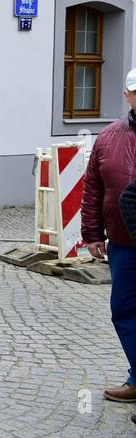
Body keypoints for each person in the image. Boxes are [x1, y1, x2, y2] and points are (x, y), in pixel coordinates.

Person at [82, 69, 136, 406]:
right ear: (128, 95)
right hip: (123, 244)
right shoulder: (109, 138)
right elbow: (93, 188)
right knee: (124, 310)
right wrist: (91, 233)